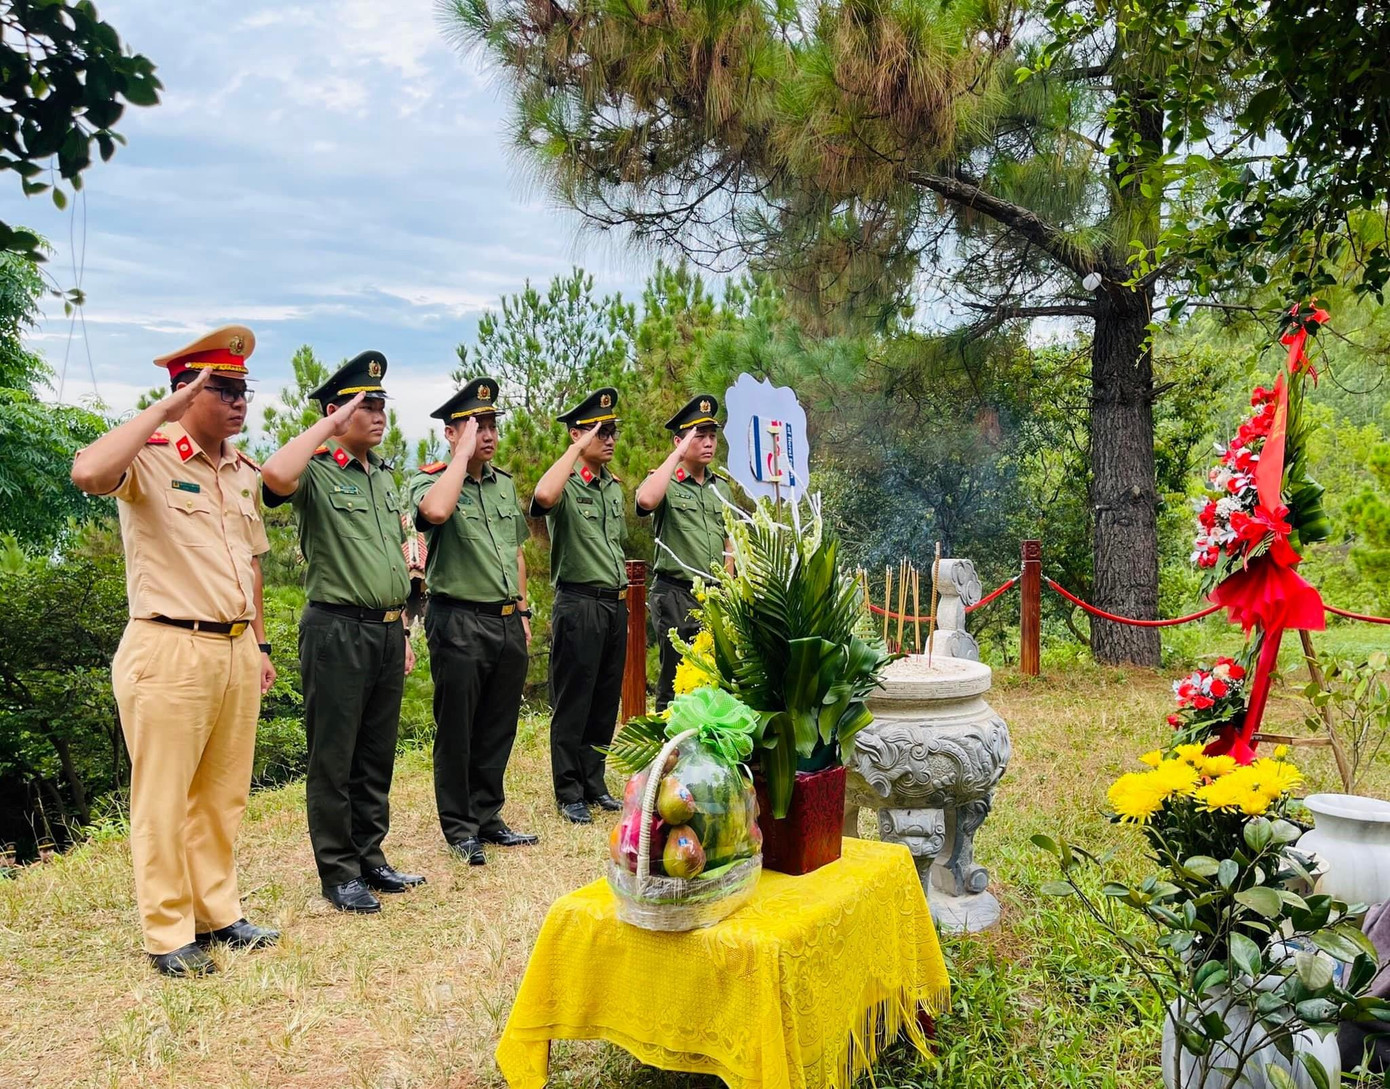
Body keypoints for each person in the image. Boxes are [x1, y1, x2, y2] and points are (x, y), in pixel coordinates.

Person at [70, 325, 279, 977]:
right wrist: (162, 411)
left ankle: (217, 912)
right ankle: (167, 932)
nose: (239, 402)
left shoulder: (242, 472)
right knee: (163, 799)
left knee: (222, 795)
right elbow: (88, 472)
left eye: (243, 390)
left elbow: (251, 564)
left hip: (235, 647)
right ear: (187, 393)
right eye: (223, 389)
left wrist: (260, 643)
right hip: (168, 646)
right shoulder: (151, 457)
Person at [259, 351, 425, 915]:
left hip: (386, 630)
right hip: (336, 629)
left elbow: (397, 559)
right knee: (334, 756)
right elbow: (273, 477)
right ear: (335, 411)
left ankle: (370, 855)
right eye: (365, 406)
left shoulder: (383, 475)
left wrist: (404, 630)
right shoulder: (316, 469)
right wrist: (327, 425)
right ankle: (338, 870)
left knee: (376, 753)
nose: (378, 415)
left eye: (381, 405)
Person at [411, 378, 538, 865]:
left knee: (497, 724)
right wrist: (461, 459)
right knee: (458, 728)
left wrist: (522, 609)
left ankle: (488, 815)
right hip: (458, 618)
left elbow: (516, 551)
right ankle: (460, 826)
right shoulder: (431, 481)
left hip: (505, 618)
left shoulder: (502, 483)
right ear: (450, 433)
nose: (487, 434)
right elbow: (435, 512)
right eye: (474, 426)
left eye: (491, 425)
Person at [529, 387, 628, 824]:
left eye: (612, 431)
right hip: (579, 602)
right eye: (599, 431)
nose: (609, 439)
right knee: (574, 700)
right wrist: (574, 451)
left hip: (614, 604)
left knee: (605, 698)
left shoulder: (612, 487)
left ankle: (594, 781)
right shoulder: (565, 483)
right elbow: (542, 497)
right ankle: (568, 790)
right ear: (577, 435)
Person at [635, 394, 732, 711]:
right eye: (698, 436)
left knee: (713, 677)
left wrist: (727, 589)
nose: (708, 443)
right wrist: (676, 456)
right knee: (675, 678)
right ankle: (670, 739)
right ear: (680, 441)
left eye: (712, 436)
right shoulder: (666, 481)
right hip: (676, 594)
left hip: (714, 596)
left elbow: (729, 541)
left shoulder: (721, 486)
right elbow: (645, 501)